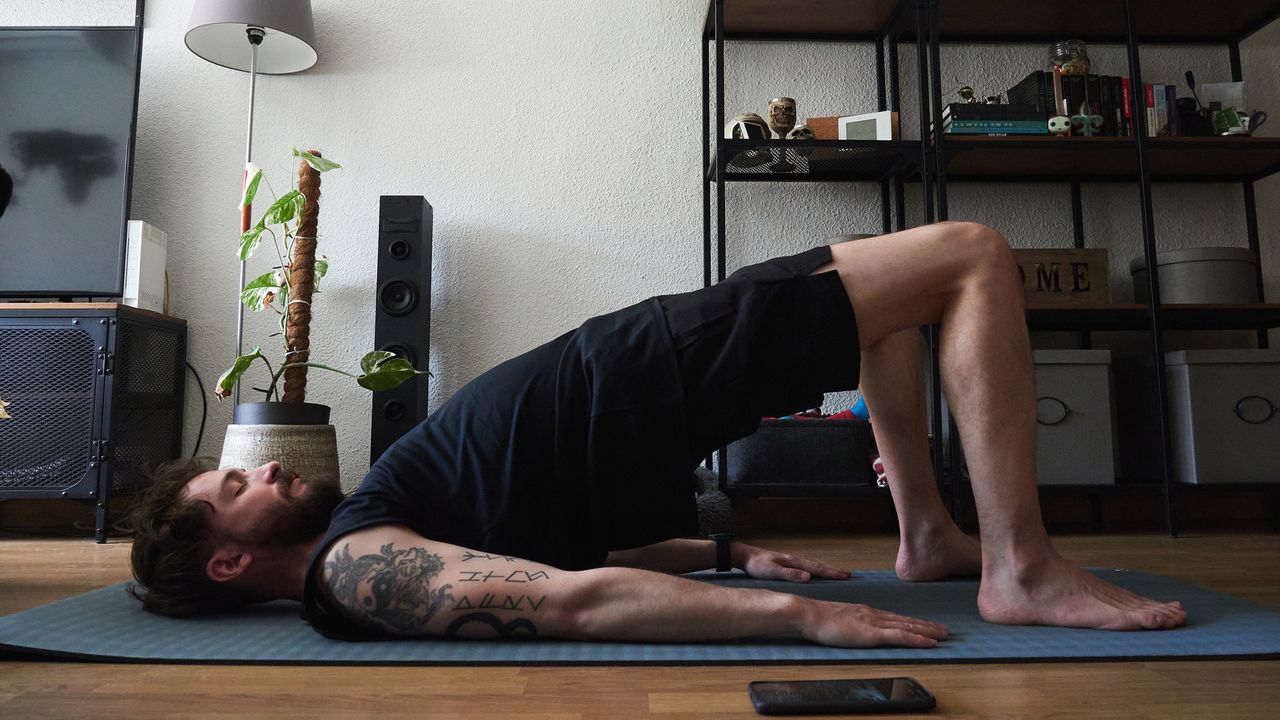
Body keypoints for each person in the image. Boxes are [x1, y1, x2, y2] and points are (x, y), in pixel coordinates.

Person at [129, 222, 1186, 646]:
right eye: (232, 490)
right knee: (970, 256)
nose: (258, 463)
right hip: (640, 376)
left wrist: (722, 552)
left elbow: (540, 544)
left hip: (635, 377)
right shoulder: (357, 570)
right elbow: (573, 601)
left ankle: (930, 537)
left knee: (900, 289)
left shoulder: (374, 534)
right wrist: (797, 621)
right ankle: (1018, 565)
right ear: (229, 558)